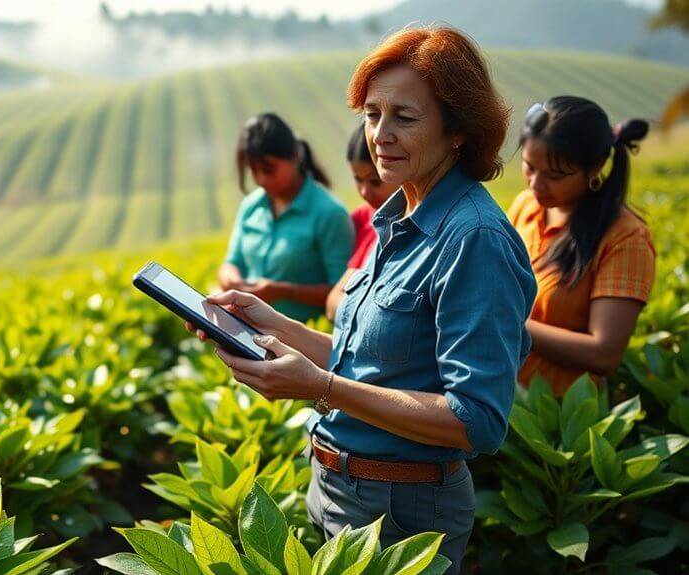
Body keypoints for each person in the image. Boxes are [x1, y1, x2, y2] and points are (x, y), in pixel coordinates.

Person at [190, 27, 535, 574]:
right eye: (372, 114)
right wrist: (275, 326)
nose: (380, 135)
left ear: (458, 132)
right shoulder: (400, 217)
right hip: (339, 488)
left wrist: (320, 388)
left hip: (401, 513)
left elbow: (477, 420)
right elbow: (373, 362)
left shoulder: (473, 239)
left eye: (405, 117)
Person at [508, 97, 655, 395]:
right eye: (529, 167)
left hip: (558, 414)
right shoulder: (526, 206)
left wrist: (507, 323)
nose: (536, 184)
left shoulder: (625, 238)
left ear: (595, 167)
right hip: (498, 390)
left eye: (555, 175)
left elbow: (603, 353)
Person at [219, 112, 354, 323]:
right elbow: (231, 262)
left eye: (269, 169)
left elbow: (344, 292)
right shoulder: (251, 207)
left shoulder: (329, 213)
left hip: (304, 343)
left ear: (294, 156)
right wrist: (231, 280)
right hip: (250, 335)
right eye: (254, 171)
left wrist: (283, 291)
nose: (261, 179)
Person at [326, 123, 399, 320]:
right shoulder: (360, 219)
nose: (365, 192)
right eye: (358, 180)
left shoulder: (397, 224)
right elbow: (332, 302)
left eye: (375, 181)